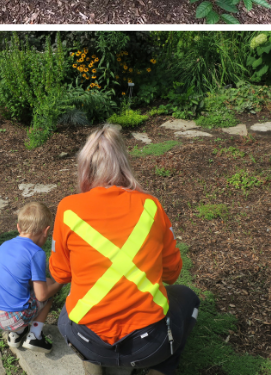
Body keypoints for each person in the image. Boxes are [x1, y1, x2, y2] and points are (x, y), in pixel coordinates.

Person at [51, 126, 195, 375]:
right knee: (188, 299)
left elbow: (61, 274)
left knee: (69, 310)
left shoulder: (67, 209)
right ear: (123, 164)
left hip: (87, 338)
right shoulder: (150, 206)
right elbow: (172, 274)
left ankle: (92, 363)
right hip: (149, 344)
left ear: (84, 167)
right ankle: (160, 367)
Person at [0, 201, 58, 351]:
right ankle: (35, 336)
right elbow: (42, 295)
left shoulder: (4, 245)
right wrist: (61, 282)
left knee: (45, 283)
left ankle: (16, 334)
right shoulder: (36, 253)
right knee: (49, 293)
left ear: (18, 227)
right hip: (11, 318)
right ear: (46, 231)